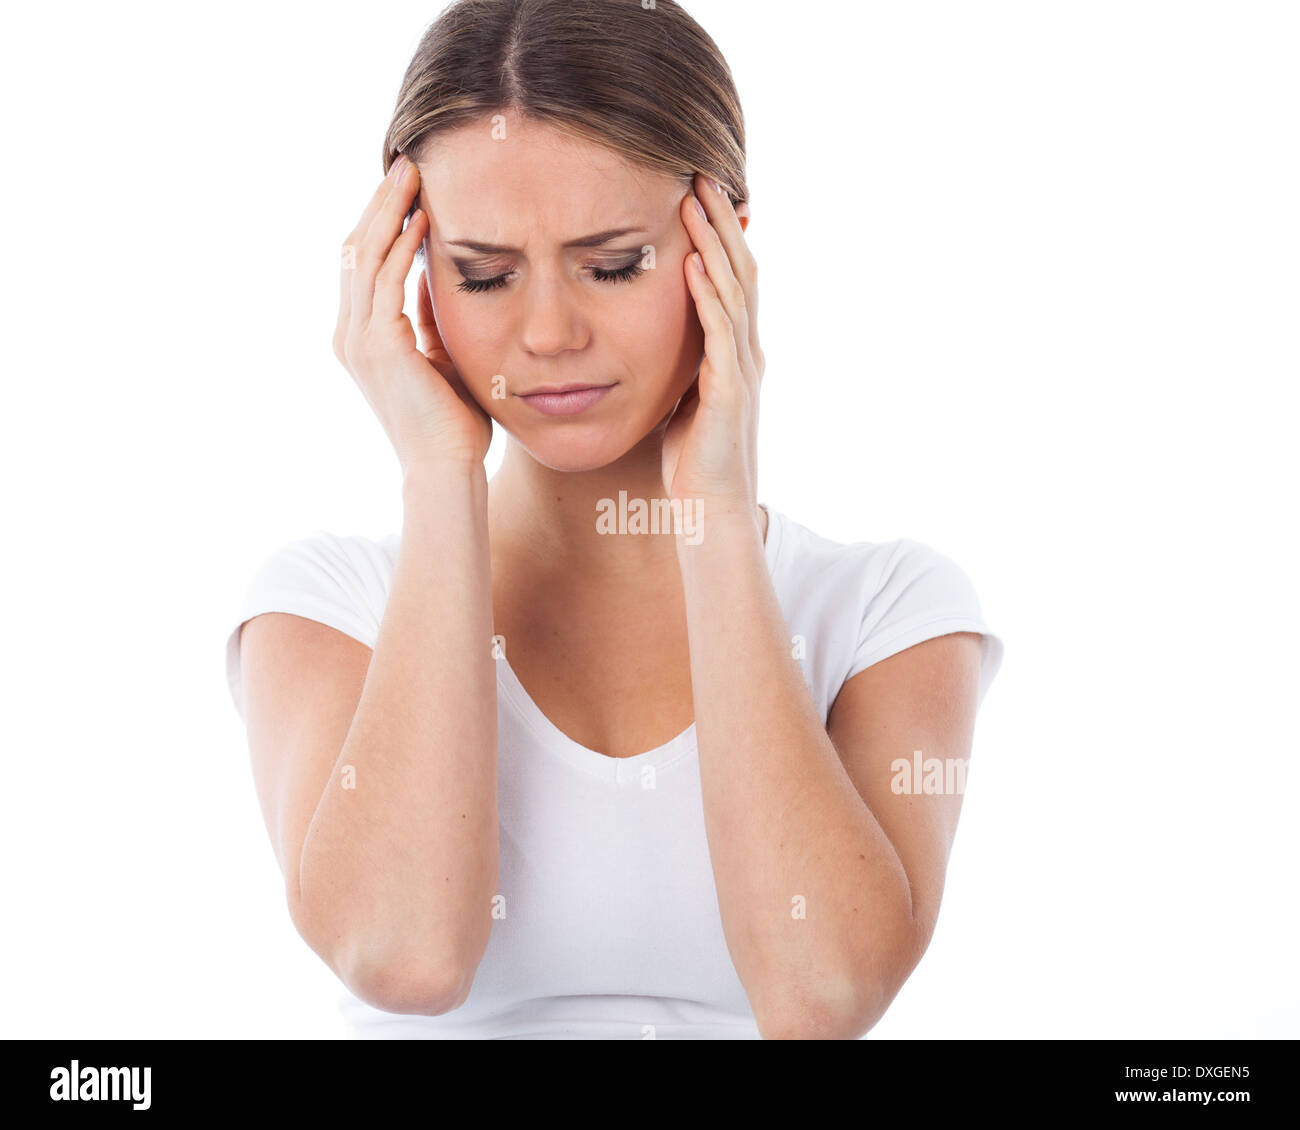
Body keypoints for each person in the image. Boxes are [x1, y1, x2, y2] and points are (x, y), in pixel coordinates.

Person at [224, 0, 1004, 1040]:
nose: (546, 332)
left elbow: (821, 994)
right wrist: (438, 470)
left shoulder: (887, 611)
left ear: (720, 237)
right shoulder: (324, 606)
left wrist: (716, 514)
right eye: (484, 273)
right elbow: (404, 954)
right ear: (406, 267)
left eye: (612, 262)